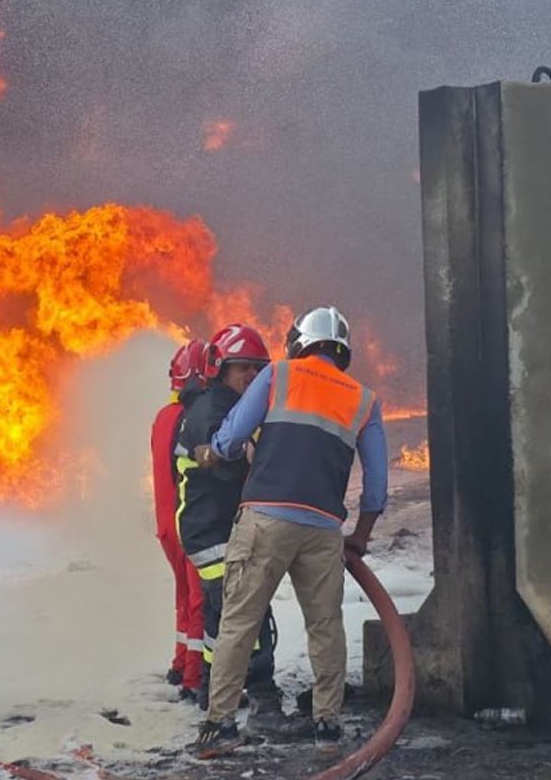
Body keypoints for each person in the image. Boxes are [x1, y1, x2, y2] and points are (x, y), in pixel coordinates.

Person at [188, 307, 389, 757]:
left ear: (301, 341)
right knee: (325, 626)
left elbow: (233, 434)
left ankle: (219, 725)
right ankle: (328, 726)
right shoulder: (365, 400)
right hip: (323, 529)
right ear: (342, 350)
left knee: (239, 621)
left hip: (265, 520)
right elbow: (377, 486)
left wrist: (214, 452)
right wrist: (360, 536)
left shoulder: (278, 375)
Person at [173, 323, 285, 731]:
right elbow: (230, 467)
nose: (252, 379)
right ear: (221, 369)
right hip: (212, 532)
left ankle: (210, 686)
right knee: (247, 611)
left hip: (213, 528)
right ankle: (262, 700)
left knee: (222, 617)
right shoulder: (212, 413)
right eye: (244, 371)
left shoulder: (224, 406)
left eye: (258, 371)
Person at [151, 339, 208, 701]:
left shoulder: (162, 417)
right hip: (190, 523)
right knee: (201, 601)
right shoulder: (193, 419)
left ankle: (179, 662)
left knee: (185, 599)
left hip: (167, 526)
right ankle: (193, 678)